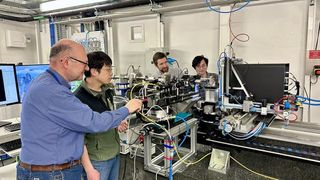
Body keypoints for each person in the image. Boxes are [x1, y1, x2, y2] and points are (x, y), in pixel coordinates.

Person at [17, 39, 142, 180]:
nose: (87, 69)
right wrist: (127, 109)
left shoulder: (48, 83)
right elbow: (94, 122)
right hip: (52, 173)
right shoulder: (53, 91)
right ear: (66, 62)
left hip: (54, 170)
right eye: (84, 63)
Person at [73, 51, 125, 180]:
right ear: (94, 72)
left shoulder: (106, 91)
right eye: (107, 70)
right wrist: (89, 169)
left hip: (114, 153)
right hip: (97, 160)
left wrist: (116, 123)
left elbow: (106, 116)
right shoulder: (79, 99)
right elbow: (79, 140)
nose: (111, 73)